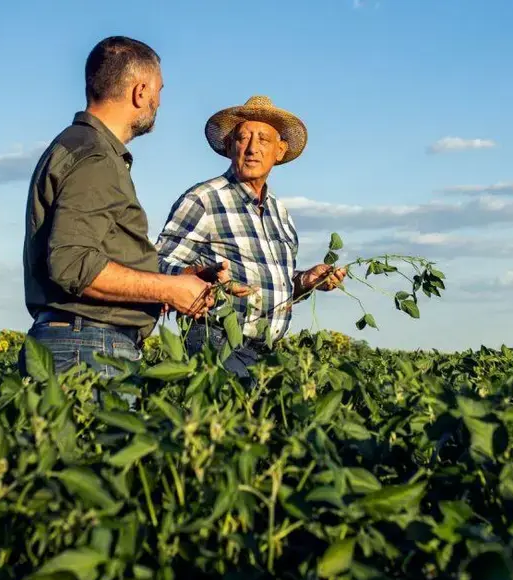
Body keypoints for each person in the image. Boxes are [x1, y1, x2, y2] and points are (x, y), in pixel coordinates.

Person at [18, 36, 223, 379]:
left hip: (78, 342)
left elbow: (92, 255)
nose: (159, 101)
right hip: (88, 347)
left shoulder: (80, 146)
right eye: (158, 90)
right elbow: (73, 263)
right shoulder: (96, 156)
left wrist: (179, 279)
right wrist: (169, 290)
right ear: (140, 91)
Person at [155, 95, 347, 381]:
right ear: (230, 146)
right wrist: (202, 275)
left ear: (280, 151)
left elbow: (273, 287)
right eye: (243, 138)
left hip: (265, 351)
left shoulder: (280, 213)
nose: (252, 148)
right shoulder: (204, 199)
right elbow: (157, 263)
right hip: (215, 340)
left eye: (263, 140)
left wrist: (306, 281)